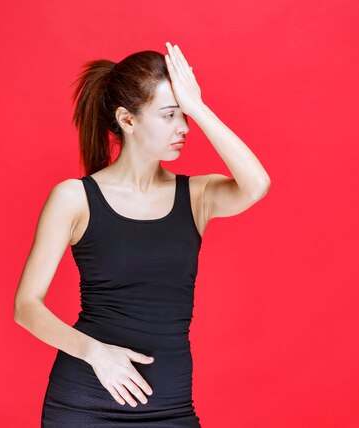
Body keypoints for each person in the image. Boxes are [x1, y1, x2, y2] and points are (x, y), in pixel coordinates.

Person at [14, 41, 271, 427]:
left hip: (172, 409)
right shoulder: (74, 198)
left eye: (183, 115)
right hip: (85, 406)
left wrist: (197, 105)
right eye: (169, 115)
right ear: (127, 120)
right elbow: (26, 307)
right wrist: (96, 353)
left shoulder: (197, 196)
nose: (183, 127)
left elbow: (257, 185)